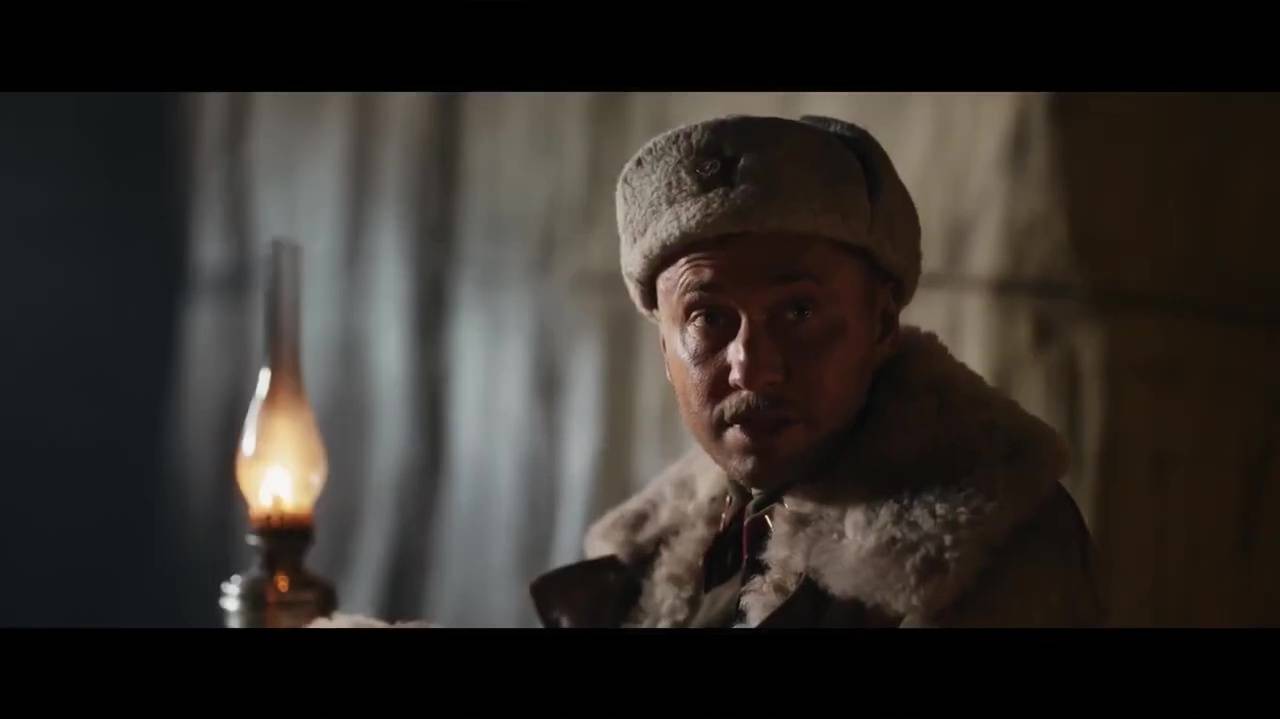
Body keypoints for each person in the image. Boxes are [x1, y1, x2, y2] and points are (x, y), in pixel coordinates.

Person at [527, 114, 1104, 628]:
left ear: (881, 325)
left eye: (799, 312)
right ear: (664, 348)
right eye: (709, 318)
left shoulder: (990, 549)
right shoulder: (656, 556)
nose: (752, 368)